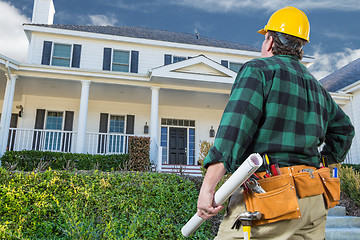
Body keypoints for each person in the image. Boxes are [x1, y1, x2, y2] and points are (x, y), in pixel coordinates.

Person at [197, 6, 355, 240]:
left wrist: (208, 187)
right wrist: (322, 160)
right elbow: (345, 131)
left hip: (271, 198)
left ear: (270, 41)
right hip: (313, 197)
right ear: (301, 48)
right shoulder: (318, 88)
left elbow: (233, 132)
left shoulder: (258, 71)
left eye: (264, 40)